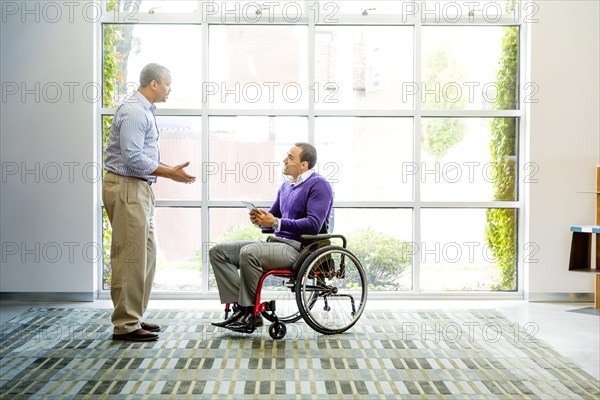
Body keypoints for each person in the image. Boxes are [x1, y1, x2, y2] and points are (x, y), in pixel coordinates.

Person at [103, 63, 196, 341]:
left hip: (138, 187)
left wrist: (169, 170)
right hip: (127, 186)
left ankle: (134, 316)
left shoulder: (144, 110)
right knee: (130, 257)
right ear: (153, 84)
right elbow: (132, 158)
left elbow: (142, 157)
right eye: (167, 83)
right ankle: (125, 324)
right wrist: (169, 173)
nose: (170, 89)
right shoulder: (134, 111)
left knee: (146, 254)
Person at [209, 143, 333, 333]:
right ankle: (240, 308)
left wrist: (275, 222)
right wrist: (260, 219)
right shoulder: (286, 186)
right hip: (275, 243)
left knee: (249, 253)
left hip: (298, 249)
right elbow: (273, 218)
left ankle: (251, 313)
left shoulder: (319, 185)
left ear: (303, 165)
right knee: (218, 252)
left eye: (291, 157)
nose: (285, 160)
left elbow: (313, 224)